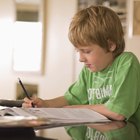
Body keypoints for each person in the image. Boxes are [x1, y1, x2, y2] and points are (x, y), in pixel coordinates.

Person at [22, 5, 140, 122]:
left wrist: (81, 108)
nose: (81, 59)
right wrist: (46, 104)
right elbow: (71, 98)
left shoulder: (126, 63)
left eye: (87, 51)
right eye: (78, 51)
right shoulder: (89, 70)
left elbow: (118, 112)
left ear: (110, 45)